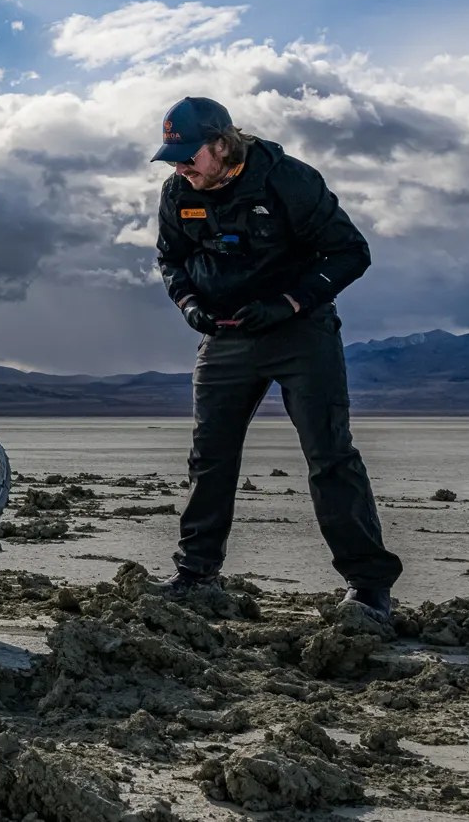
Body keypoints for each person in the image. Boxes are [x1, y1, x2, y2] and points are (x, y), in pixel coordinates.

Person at [151, 96, 403, 620]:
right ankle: (195, 574)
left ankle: (368, 586)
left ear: (221, 145)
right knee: (210, 457)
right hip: (225, 337)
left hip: (299, 334)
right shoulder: (178, 192)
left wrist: (288, 303)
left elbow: (351, 251)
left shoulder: (288, 180)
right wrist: (189, 303)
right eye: (172, 155)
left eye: (188, 154)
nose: (179, 165)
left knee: (330, 456)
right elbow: (170, 258)